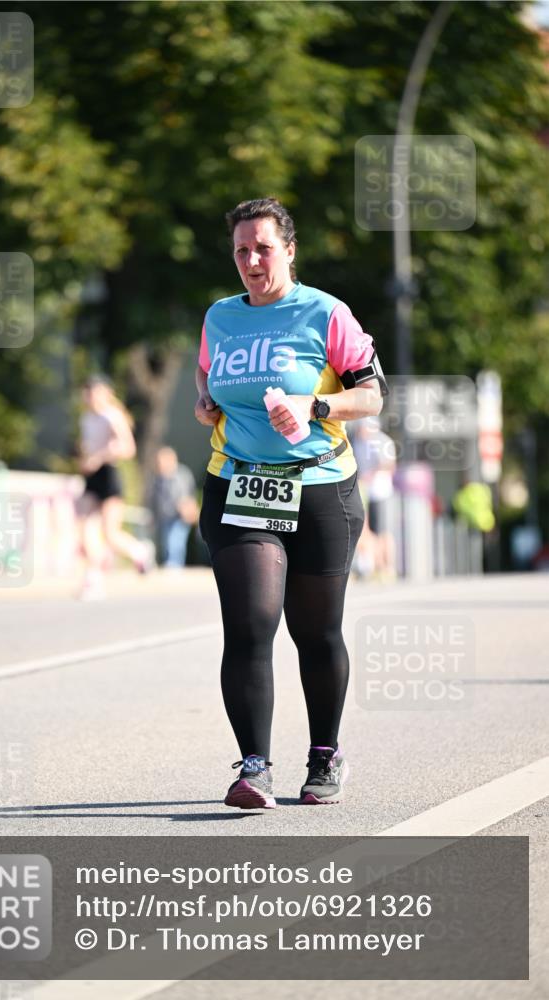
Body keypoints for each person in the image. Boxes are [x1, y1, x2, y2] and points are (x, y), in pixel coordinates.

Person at [195, 198, 387, 809]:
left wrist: (316, 405)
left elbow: (373, 395)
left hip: (320, 485)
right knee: (250, 624)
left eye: (263, 249)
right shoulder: (220, 317)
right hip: (239, 483)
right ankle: (253, 768)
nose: (252, 261)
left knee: (315, 631)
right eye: (241, 251)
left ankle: (325, 754)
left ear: (289, 250)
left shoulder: (325, 314)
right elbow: (207, 376)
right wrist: (206, 402)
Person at [77, 375, 154, 599]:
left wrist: (101, 456)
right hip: (92, 477)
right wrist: (85, 459)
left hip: (109, 474)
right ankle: (93, 579)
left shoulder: (112, 415)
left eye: (95, 392)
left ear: (106, 393)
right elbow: (87, 446)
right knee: (85, 528)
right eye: (88, 393)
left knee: (110, 533)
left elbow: (128, 448)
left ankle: (140, 551)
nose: (91, 397)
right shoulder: (85, 419)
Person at [351, 416, 397, 581]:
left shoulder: (383, 441)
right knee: (367, 531)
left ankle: (387, 567)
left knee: (383, 531)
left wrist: (371, 474)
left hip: (380, 491)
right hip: (364, 491)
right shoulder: (357, 442)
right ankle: (376, 566)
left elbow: (390, 465)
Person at [149, 446, 199, 568]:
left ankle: (174, 564)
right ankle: (171, 563)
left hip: (179, 515)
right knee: (166, 541)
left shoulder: (181, 475)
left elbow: (187, 494)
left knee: (176, 541)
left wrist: (187, 508)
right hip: (165, 516)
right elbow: (153, 499)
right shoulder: (158, 478)